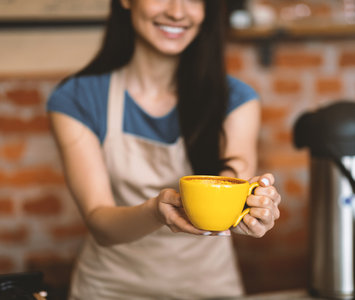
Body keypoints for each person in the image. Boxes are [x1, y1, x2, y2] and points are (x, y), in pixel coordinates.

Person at [47, 0, 281, 299]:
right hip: (110, 289)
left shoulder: (237, 100)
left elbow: (233, 185)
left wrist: (253, 208)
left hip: (209, 289)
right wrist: (155, 212)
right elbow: (100, 224)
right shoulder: (77, 99)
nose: (177, 11)